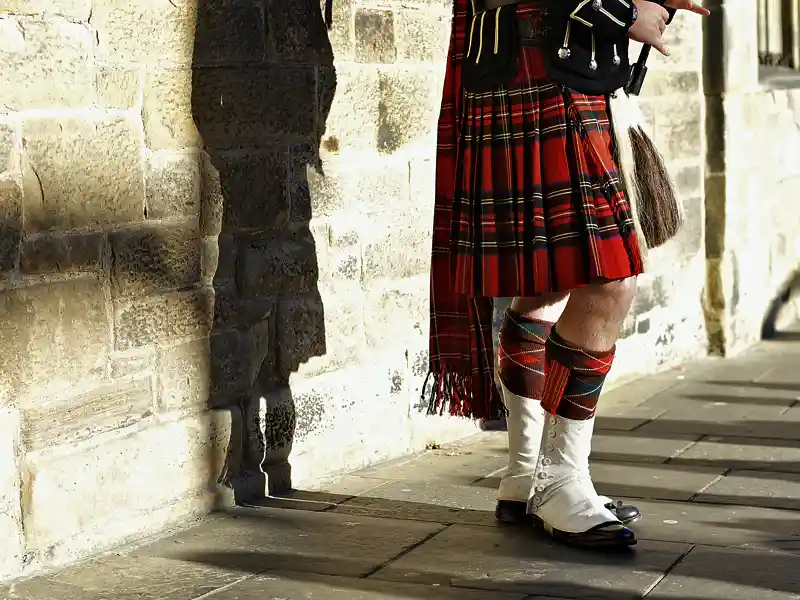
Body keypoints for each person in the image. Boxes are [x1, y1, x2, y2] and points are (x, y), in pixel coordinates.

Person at [426, 0, 708, 550]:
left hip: (546, 62)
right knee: (609, 278)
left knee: (549, 282)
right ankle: (559, 482)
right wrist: (622, 12)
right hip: (539, 60)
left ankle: (527, 473)